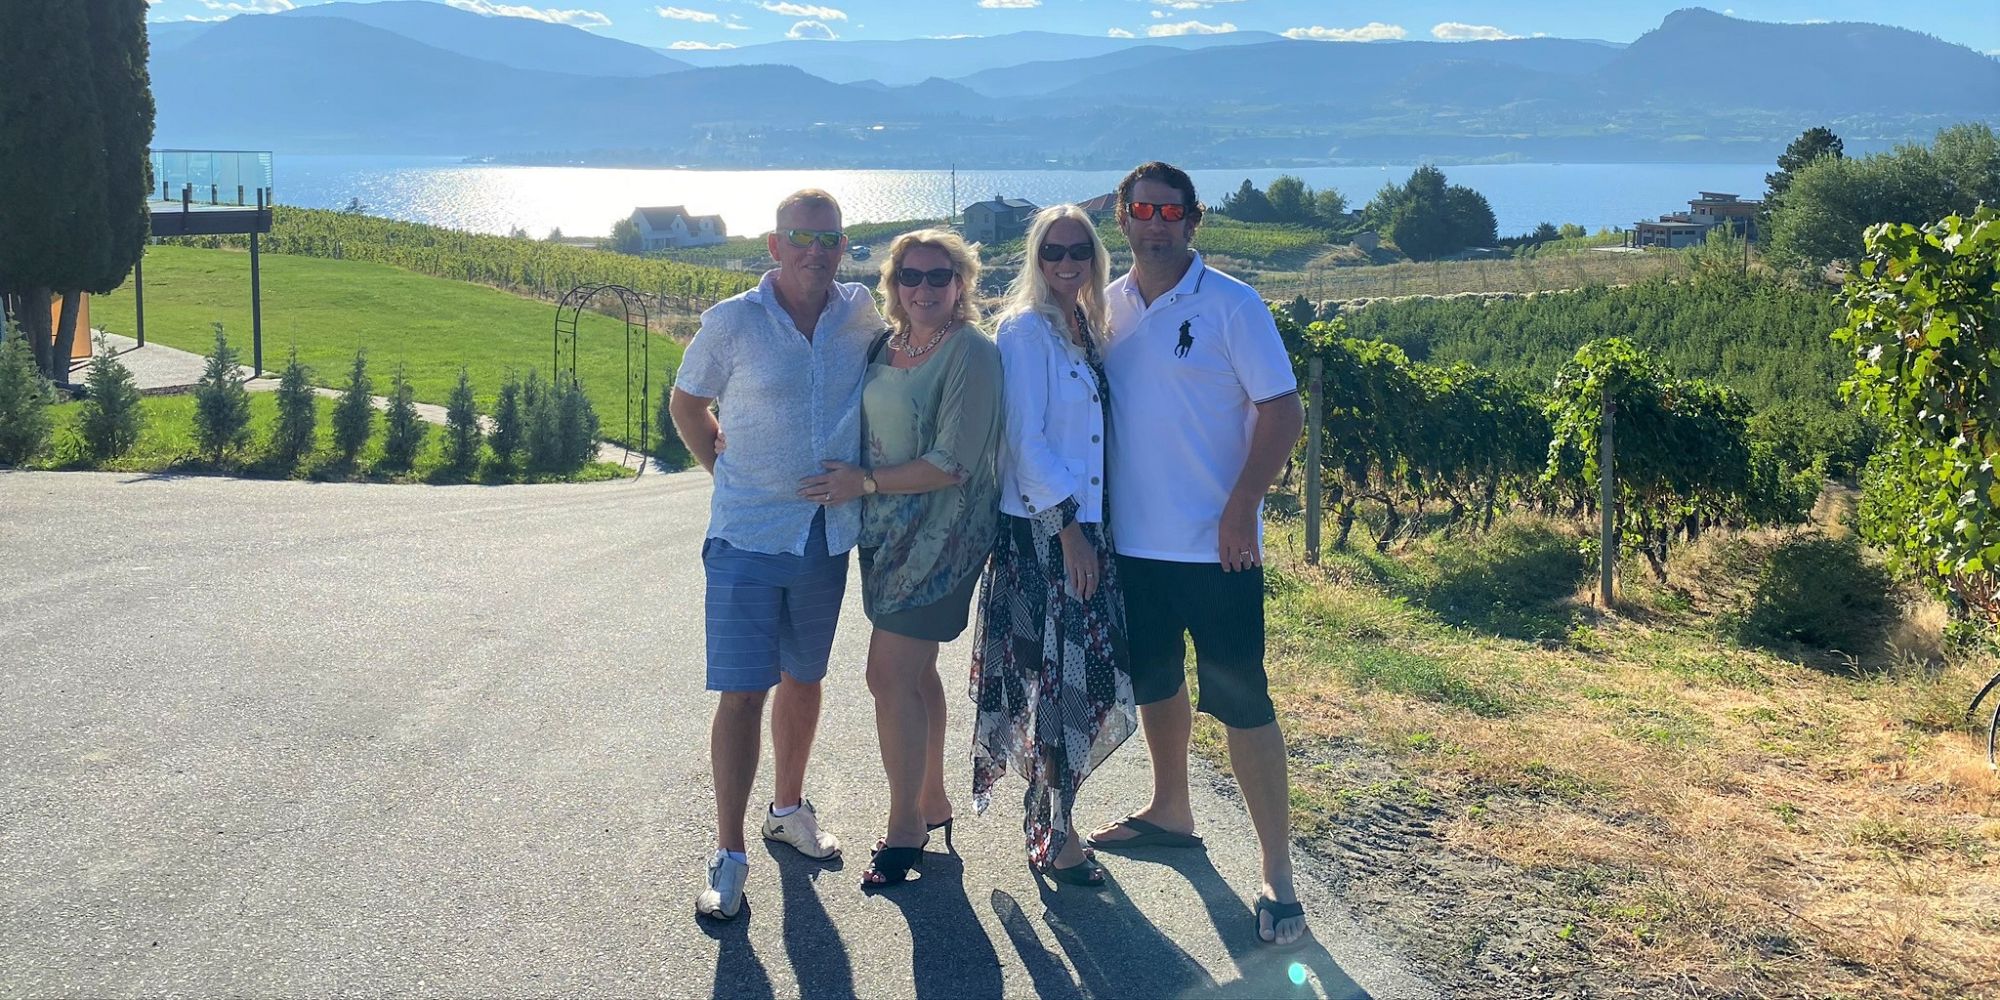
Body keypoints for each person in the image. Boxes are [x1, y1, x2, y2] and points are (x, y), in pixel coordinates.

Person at [1085, 162, 1311, 947]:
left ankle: (1277, 874)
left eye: (1169, 212)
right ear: (1122, 216)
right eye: (1141, 209)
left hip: (1220, 551)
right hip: (1133, 549)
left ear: (1193, 221)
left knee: (1243, 703)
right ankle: (1171, 810)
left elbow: (1283, 412)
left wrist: (1243, 506)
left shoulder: (1232, 305)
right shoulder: (1104, 307)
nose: (1154, 223)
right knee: (1156, 683)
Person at [668, 189, 885, 921]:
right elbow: (686, 404)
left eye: (829, 240)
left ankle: (787, 812)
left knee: (805, 680)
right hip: (747, 537)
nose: (816, 252)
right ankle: (729, 855)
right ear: (774, 244)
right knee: (742, 692)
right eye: (801, 237)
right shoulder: (732, 322)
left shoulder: (860, 313)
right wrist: (723, 471)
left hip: (825, 538)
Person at [803, 228, 1000, 888]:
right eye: (910, 277)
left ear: (961, 285)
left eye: (938, 277)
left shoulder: (971, 351)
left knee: (887, 677)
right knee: (914, 675)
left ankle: (905, 828)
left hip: (943, 539)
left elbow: (954, 462)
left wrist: (862, 482)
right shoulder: (887, 344)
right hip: (886, 538)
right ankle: (933, 798)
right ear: (892, 285)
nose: (923, 289)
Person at [970, 204, 1134, 887]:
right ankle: (1055, 836)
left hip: (1088, 530)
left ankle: (1053, 822)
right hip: (1049, 534)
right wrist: (1067, 529)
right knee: (1057, 688)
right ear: (1035, 259)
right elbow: (1024, 440)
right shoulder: (1025, 332)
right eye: (1052, 252)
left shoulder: (1086, 328)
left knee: (1081, 687)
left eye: (1078, 251)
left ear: (1094, 258)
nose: (1066, 263)